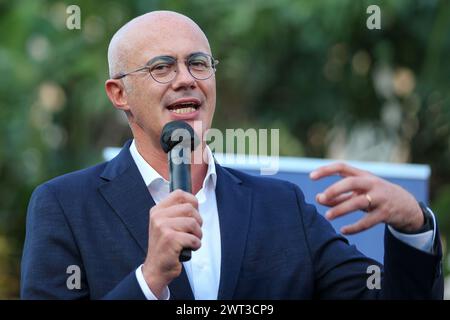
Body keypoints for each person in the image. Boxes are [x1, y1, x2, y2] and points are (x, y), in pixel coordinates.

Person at [21, 10, 443, 300]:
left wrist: (414, 229)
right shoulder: (64, 205)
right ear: (119, 94)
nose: (186, 80)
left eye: (199, 64)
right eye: (162, 68)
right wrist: (149, 281)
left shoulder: (282, 207)